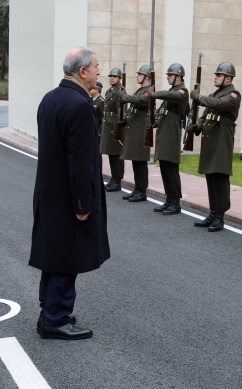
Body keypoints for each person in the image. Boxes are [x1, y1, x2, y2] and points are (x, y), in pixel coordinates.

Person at [30, 46, 110, 340]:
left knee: (53, 254)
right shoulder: (78, 104)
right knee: (67, 255)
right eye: (97, 67)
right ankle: (55, 318)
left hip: (49, 192)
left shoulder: (51, 98)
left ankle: (49, 310)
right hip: (68, 197)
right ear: (83, 71)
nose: (100, 71)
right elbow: (79, 161)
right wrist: (82, 202)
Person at [187, 62, 241, 232]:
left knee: (220, 179)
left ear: (228, 78)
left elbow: (217, 105)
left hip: (221, 142)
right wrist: (197, 126)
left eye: (219, 75)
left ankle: (220, 216)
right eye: (216, 74)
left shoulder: (233, 95)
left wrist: (198, 97)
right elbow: (206, 116)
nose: (215, 77)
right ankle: (213, 212)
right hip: (211, 142)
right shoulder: (214, 94)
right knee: (211, 178)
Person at [150, 63, 190, 215]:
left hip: (172, 134)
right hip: (164, 132)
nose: (167, 77)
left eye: (170, 75)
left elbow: (173, 96)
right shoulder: (171, 91)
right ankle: (169, 199)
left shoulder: (182, 91)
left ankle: (176, 202)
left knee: (171, 169)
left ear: (178, 77)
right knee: (165, 168)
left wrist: (154, 94)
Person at [117, 65, 154, 203]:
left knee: (140, 162)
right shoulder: (141, 90)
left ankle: (142, 190)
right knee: (135, 160)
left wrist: (125, 97)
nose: (137, 76)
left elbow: (141, 101)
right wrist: (125, 120)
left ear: (147, 77)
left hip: (141, 131)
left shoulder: (149, 90)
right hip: (134, 129)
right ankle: (137, 188)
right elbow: (134, 108)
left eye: (140, 74)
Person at [101, 68, 125, 192]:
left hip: (114, 126)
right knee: (111, 153)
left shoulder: (120, 91)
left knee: (116, 154)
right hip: (108, 125)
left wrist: (118, 128)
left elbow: (121, 112)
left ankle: (117, 180)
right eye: (110, 76)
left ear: (119, 78)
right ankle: (114, 177)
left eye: (114, 76)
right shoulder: (110, 91)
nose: (112, 78)